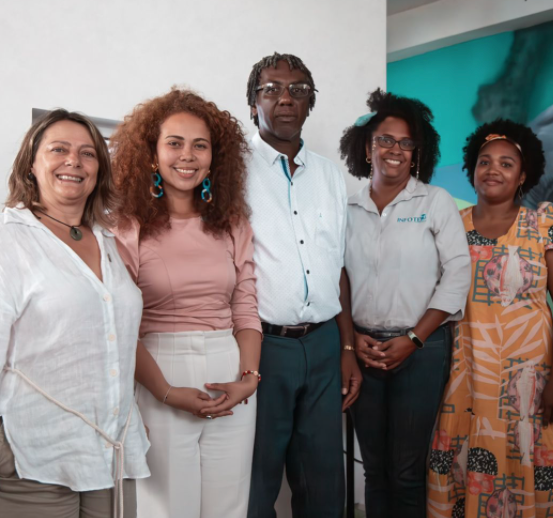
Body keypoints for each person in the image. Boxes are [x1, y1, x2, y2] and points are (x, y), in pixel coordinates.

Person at [0, 109, 149, 518]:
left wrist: (127, 416)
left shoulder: (108, 242)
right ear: (32, 163)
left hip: (108, 454)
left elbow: (113, 340)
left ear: (99, 169)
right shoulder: (0, 238)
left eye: (88, 153)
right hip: (31, 453)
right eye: (59, 150)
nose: (74, 161)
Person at [111, 88, 261, 518]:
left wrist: (248, 379)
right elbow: (123, 324)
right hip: (160, 373)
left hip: (228, 369)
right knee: (169, 510)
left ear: (215, 157)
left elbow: (246, 307)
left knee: (227, 508)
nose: (187, 155)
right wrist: (165, 391)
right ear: (152, 153)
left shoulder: (233, 223)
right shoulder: (127, 227)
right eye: (174, 143)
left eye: (200, 145)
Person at [426, 119, 553, 518]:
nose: (493, 169)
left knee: (529, 470)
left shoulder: (546, 226)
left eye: (506, 163)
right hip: (465, 378)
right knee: (461, 471)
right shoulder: (449, 227)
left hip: (528, 385)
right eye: (484, 161)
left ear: (523, 175)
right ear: (472, 170)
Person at [338, 89, 471, 518]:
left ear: (417, 153)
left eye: (405, 143)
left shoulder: (434, 203)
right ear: (367, 146)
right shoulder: (348, 209)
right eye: (385, 140)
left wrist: (414, 338)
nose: (394, 150)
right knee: (374, 470)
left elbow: (457, 274)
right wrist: (351, 340)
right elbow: (336, 277)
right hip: (364, 350)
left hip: (422, 350)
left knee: (408, 471)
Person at [244, 52, 362, 518]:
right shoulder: (232, 170)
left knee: (323, 482)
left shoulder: (331, 176)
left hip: (324, 344)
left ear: (311, 103)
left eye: (298, 90)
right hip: (264, 346)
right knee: (255, 481)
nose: (285, 99)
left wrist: (348, 348)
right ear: (253, 103)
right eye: (271, 89)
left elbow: (338, 269)